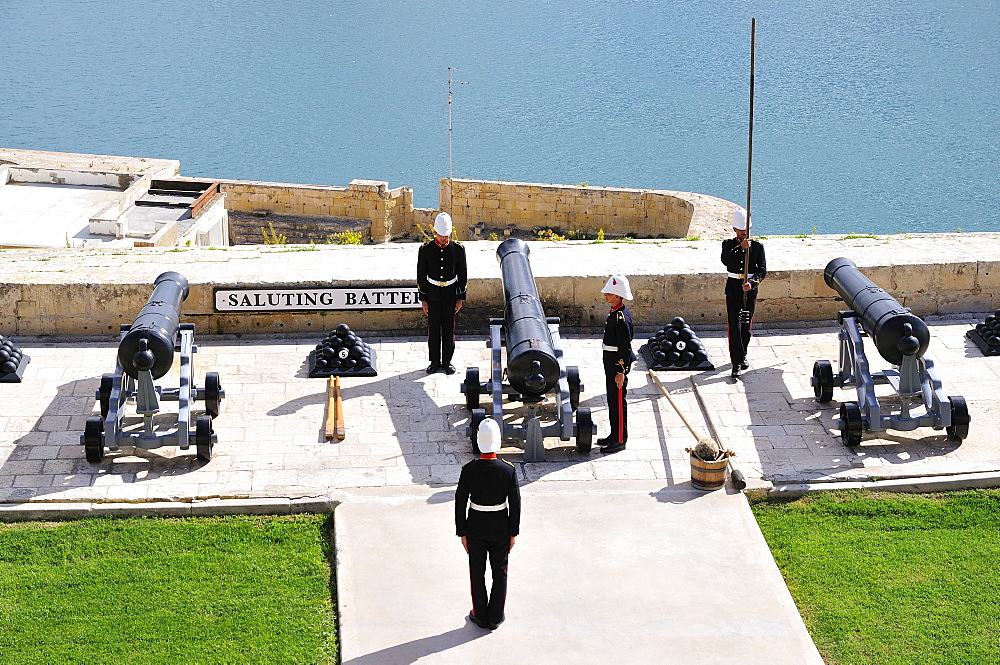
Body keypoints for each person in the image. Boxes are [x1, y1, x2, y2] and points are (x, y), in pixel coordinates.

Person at [455, 418, 520, 630]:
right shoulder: (508, 470)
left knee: (477, 571)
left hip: (475, 525)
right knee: (500, 571)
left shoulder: (469, 469)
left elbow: (460, 501)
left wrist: (462, 531)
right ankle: (496, 616)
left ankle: (480, 614)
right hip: (500, 525)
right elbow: (515, 504)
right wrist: (513, 532)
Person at [417, 211, 467, 374]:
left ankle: (447, 361)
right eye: (441, 235)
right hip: (432, 294)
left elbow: (463, 274)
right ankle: (434, 361)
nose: (444, 239)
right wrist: (423, 299)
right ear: (435, 233)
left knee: (448, 329)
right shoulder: (425, 250)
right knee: (433, 329)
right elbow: (421, 275)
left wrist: (460, 298)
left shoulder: (458, 249)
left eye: (446, 235)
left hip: (450, 294)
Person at [721, 207, 766, 379]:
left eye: (746, 231)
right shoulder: (728, 245)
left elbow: (762, 270)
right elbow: (726, 261)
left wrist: (753, 283)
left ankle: (743, 353)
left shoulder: (758, 247)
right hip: (733, 288)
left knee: (746, 325)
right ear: (734, 230)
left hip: (749, 289)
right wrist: (741, 248)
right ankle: (736, 362)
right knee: (735, 325)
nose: (744, 234)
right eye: (741, 232)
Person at [598, 274, 635, 454]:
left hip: (616, 366)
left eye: (610, 293)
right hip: (610, 364)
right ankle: (614, 434)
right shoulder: (615, 312)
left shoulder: (621, 317)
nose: (606, 295)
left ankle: (620, 440)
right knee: (613, 401)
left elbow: (625, 348)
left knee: (619, 403)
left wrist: (621, 371)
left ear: (618, 295)